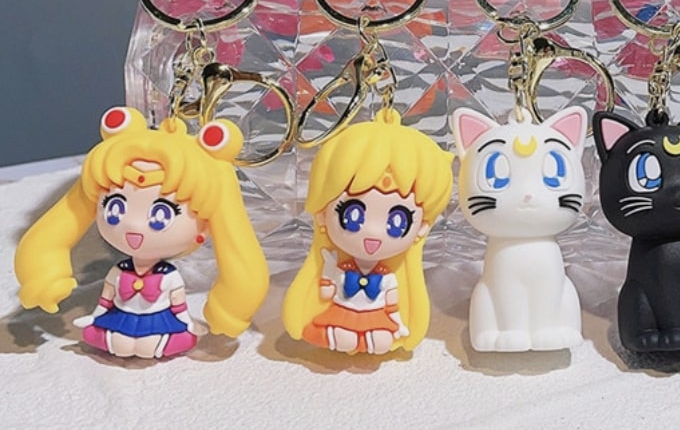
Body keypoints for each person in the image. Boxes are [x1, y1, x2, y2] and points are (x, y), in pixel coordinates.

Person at [14, 106, 269, 358]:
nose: (134, 226)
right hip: (120, 317)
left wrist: (194, 321)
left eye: (161, 215)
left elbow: (179, 306)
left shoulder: (168, 277)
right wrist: (93, 314)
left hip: (159, 321)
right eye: (114, 208)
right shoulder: (119, 272)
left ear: (205, 229)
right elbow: (106, 300)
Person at [282, 109, 453, 355]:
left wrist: (399, 325)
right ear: (322, 213)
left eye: (397, 223)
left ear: (422, 228)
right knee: (341, 336)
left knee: (381, 341)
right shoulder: (340, 269)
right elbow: (327, 292)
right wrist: (328, 272)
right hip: (341, 313)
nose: (373, 233)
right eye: (352, 217)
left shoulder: (388, 279)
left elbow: (392, 307)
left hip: (376, 319)